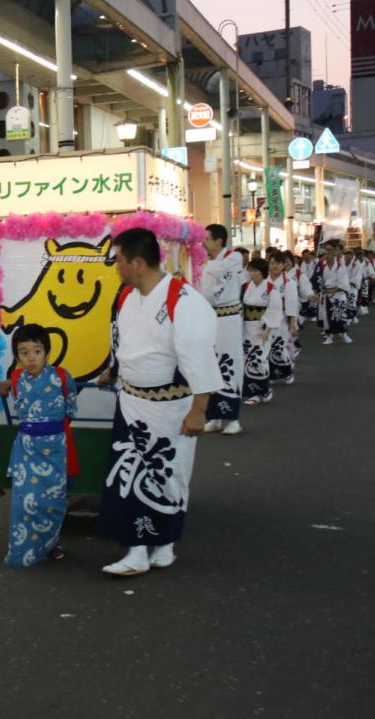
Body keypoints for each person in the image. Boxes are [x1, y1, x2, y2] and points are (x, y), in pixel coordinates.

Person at [96, 228, 223, 577]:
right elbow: (125, 343)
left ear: (137, 263)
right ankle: (136, 550)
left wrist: (199, 409)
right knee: (127, 475)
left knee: (169, 475)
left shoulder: (184, 300)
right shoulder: (125, 297)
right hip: (132, 401)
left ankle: (165, 544)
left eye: (119, 261)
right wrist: (114, 370)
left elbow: (198, 356)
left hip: (172, 405)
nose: (116, 268)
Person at [4, 323, 76, 567]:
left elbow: (70, 409)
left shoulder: (63, 377)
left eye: (37, 351)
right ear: (17, 356)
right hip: (26, 448)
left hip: (55, 448)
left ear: (47, 352)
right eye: (24, 352)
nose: (31, 358)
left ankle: (51, 544)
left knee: (52, 502)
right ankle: (24, 551)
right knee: (24, 502)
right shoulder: (15, 378)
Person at [199, 224, 245, 435]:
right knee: (211, 365)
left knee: (230, 364)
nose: (204, 242)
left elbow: (219, 270)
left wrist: (203, 264)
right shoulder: (208, 262)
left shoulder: (233, 257)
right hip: (210, 317)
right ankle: (214, 416)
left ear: (219, 240)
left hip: (229, 318)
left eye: (207, 238)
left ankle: (231, 418)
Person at [240, 259, 281, 406]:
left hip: (261, 328)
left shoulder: (271, 288)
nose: (252, 273)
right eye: (250, 270)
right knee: (247, 359)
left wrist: (267, 330)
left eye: (255, 271)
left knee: (258, 359)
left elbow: (275, 311)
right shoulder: (245, 287)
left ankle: (260, 391)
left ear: (263, 272)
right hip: (246, 327)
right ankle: (260, 391)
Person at [267, 251, 299, 385]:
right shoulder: (264, 280)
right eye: (272, 263)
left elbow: (291, 303)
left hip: (281, 319)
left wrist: (292, 322)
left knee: (279, 347)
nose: (274, 266)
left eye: (278, 264)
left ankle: (287, 372)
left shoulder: (288, 282)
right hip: (265, 319)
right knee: (266, 348)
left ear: (283, 266)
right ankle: (271, 375)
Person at [317, 243, 353, 345]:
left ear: (333, 255)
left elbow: (344, 282)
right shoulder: (323, 267)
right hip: (327, 294)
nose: (327, 256)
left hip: (339, 294)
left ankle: (344, 334)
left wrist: (334, 290)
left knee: (340, 315)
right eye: (326, 254)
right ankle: (329, 336)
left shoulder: (340, 267)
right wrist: (322, 290)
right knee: (327, 316)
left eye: (329, 253)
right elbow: (320, 281)